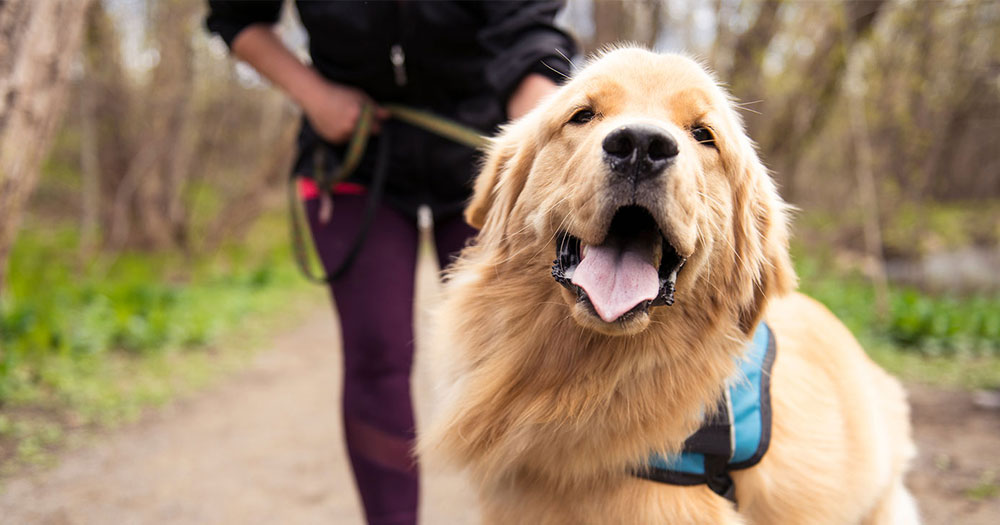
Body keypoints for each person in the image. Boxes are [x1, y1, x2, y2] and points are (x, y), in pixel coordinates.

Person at [204, 3, 577, 524]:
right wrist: (314, 95)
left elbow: (528, 35)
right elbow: (237, 15)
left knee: (511, 353)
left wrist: (545, 134)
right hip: (352, 151)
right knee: (376, 352)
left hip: (482, 147)